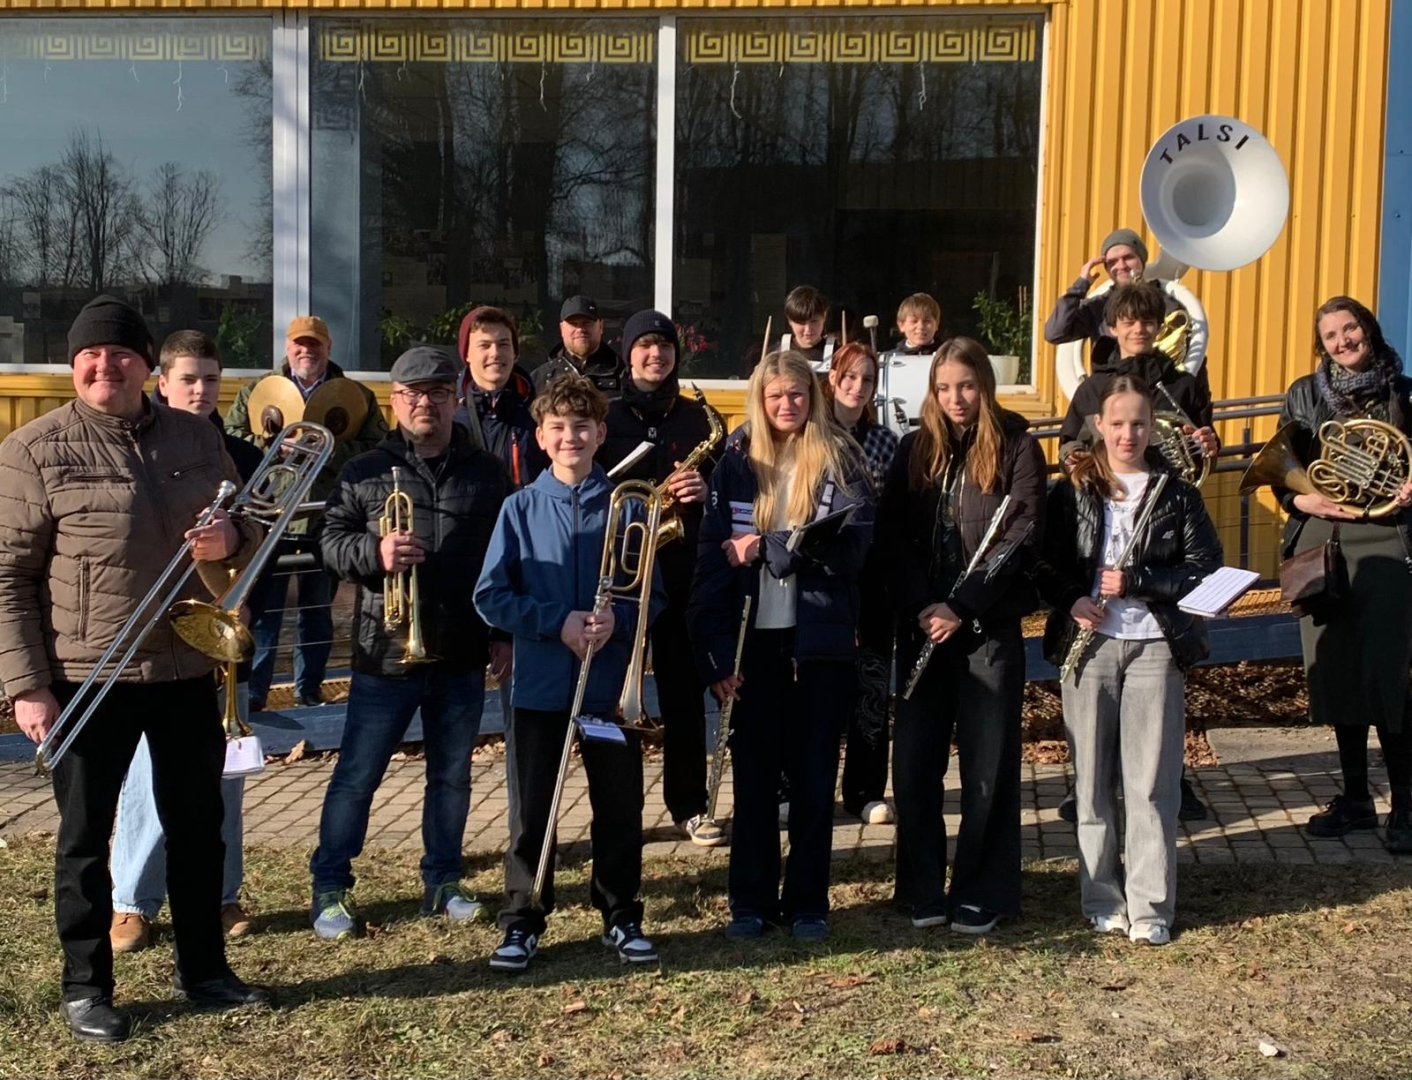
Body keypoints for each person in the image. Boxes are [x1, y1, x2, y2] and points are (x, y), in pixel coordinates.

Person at [0, 295, 270, 1043]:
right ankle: (87, 988)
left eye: (120, 352)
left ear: (147, 364)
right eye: (90, 353)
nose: (104, 365)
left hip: (186, 665)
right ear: (74, 364)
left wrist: (234, 540)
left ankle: (205, 971)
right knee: (84, 842)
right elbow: (7, 578)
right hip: (87, 675)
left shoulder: (196, 435)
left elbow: (245, 532)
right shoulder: (34, 449)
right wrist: (26, 685)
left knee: (199, 829)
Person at [310, 347, 511, 938]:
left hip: (462, 651)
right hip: (385, 651)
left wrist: (502, 633)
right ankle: (330, 887)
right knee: (357, 776)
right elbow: (328, 543)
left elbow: (507, 560)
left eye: (439, 393)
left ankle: (443, 881)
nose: (427, 403)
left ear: (456, 399)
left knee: (452, 777)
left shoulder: (487, 472)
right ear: (395, 401)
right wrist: (374, 553)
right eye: (414, 394)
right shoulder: (364, 470)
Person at [474, 374, 666, 972]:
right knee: (534, 808)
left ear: (601, 433)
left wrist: (620, 620)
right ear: (540, 436)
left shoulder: (630, 507)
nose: (570, 437)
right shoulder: (519, 508)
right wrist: (556, 622)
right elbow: (490, 596)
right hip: (539, 684)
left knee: (620, 807)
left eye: (582, 427)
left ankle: (621, 914)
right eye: (557, 427)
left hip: (610, 687)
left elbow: (653, 593)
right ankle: (522, 918)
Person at [688, 350, 873, 942]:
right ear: (759, 400)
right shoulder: (735, 462)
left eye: (797, 393)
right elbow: (711, 564)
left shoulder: (842, 457)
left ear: (812, 397)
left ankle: (808, 903)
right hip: (753, 647)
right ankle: (751, 900)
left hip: (819, 645)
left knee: (815, 782)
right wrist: (716, 657)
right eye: (775, 395)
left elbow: (852, 549)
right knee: (754, 782)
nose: (786, 404)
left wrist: (769, 548)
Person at [1037, 374, 1223, 944]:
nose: (1128, 434)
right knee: (1092, 784)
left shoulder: (1177, 494)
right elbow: (1044, 565)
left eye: (1139, 423)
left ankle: (1151, 909)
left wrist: (1138, 580)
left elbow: (1205, 571)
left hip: (1155, 646)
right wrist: (1072, 598)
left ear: (1152, 427)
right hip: (1089, 646)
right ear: (1098, 425)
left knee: (1150, 784)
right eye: (1117, 423)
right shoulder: (1072, 491)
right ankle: (1101, 898)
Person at [878, 337, 1044, 935]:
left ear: (985, 386)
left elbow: (1020, 535)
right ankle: (921, 887)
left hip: (984, 631)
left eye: (967, 386)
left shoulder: (1019, 446)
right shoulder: (913, 448)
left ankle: (982, 890)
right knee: (914, 765)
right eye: (945, 388)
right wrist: (924, 605)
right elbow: (892, 536)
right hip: (923, 627)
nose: (956, 398)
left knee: (987, 769)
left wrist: (962, 605)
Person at [108, 331, 267, 955]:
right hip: (156, 635)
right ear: (162, 384)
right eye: (188, 379)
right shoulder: (136, 448)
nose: (201, 390)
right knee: (148, 775)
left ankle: (223, 895)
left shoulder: (243, 456)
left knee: (226, 772)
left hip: (226, 632)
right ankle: (133, 902)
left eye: (211, 379)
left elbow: (265, 537)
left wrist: (245, 582)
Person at [1055, 283, 1216, 824]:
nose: (1139, 329)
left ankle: (1172, 782)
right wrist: (1086, 466)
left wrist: (1206, 445)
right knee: (1096, 710)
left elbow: (1200, 447)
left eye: (1148, 321)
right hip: (1107, 522)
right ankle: (1089, 786)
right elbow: (1069, 445)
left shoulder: (1182, 382)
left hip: (1163, 532)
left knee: (1158, 709)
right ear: (1113, 327)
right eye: (1129, 320)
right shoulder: (1092, 388)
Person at [1279, 298, 1412, 853]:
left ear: (1368, 329)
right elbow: (1283, 471)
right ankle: (1357, 799)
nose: (1342, 341)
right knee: (1338, 672)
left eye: (1350, 328)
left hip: (1389, 540)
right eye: (1330, 335)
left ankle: (1405, 805)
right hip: (1325, 540)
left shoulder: (1405, 394)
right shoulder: (1303, 395)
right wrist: (1304, 498)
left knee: (1391, 677)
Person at [598, 310, 722, 846]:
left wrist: (705, 493)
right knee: (614, 698)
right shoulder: (606, 416)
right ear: (628, 353)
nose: (656, 355)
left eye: (665, 346)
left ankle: (689, 805)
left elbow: (728, 498)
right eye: (645, 345)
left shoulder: (699, 421)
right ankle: (618, 812)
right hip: (623, 579)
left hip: (682, 575)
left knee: (684, 697)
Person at [226, 315, 388, 710]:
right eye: (299, 343)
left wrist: (327, 449)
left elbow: (377, 446)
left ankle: (309, 689)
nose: (306, 351)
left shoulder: (357, 396)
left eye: (315, 344)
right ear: (287, 347)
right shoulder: (256, 391)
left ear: (328, 348)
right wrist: (272, 445)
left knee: (316, 612)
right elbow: (230, 439)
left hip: (326, 517)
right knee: (265, 611)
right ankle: (257, 691)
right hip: (270, 517)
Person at [823, 342, 900, 824]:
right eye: (849, 376)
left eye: (867, 379)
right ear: (833, 378)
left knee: (871, 682)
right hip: (822, 575)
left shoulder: (884, 442)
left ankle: (866, 789)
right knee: (816, 685)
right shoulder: (810, 432)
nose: (857, 387)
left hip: (872, 576)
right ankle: (799, 784)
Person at [1043, 227, 1184, 366]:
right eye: (1112, 262)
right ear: (1106, 268)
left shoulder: (1166, 301)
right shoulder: (1097, 307)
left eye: (1128, 258)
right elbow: (1054, 333)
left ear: (1142, 260)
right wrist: (1080, 286)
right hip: (1110, 380)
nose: (1121, 266)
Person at [455, 305, 546, 490]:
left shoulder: (540, 413)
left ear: (514, 352)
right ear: (467, 354)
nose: (495, 353)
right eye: (484, 345)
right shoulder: (450, 415)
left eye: (503, 344)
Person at [533, 294, 625, 396]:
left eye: (586, 323)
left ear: (600, 326)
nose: (580, 329)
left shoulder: (623, 376)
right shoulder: (539, 381)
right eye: (573, 323)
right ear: (562, 329)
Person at [782, 285, 837, 368]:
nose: (808, 329)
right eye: (801, 323)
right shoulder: (777, 352)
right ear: (790, 320)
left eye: (814, 321)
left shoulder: (838, 353)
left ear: (824, 316)